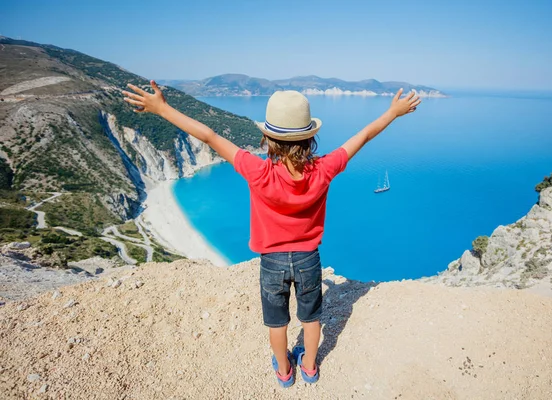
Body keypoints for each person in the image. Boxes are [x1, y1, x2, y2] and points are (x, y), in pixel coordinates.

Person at [122, 81, 421, 387]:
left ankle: (284, 371)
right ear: (310, 138)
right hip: (308, 259)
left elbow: (209, 136)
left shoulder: (258, 171)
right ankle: (309, 367)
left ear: (267, 139)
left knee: (277, 322)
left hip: (272, 263)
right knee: (311, 318)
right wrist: (393, 113)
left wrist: (161, 108)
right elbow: (364, 136)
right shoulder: (324, 169)